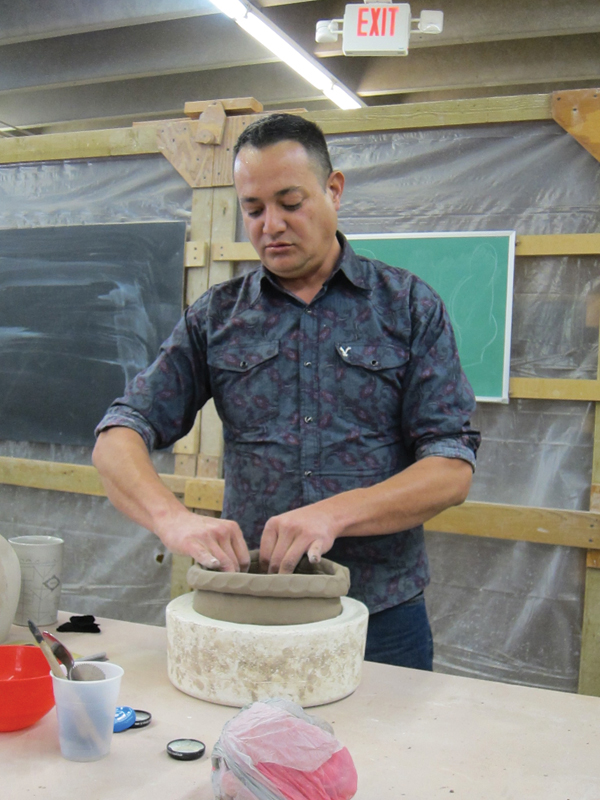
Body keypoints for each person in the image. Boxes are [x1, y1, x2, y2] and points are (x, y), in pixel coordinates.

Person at [92, 113, 480, 670]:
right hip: (253, 608)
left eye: (290, 202)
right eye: (253, 209)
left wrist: (334, 514)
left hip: (380, 616)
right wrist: (171, 519)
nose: (270, 224)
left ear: (334, 189)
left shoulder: (408, 307)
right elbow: (118, 435)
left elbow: (450, 468)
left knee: (387, 755)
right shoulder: (217, 318)